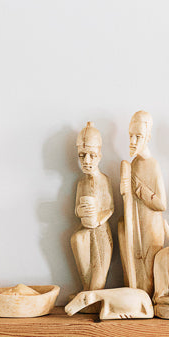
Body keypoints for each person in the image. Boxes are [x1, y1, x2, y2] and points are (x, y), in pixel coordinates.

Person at [119, 110, 166, 296]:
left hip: (151, 229)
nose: (132, 141)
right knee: (135, 273)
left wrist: (139, 189)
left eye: (137, 137)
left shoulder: (152, 164)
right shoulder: (132, 164)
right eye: (130, 136)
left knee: (148, 278)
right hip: (135, 226)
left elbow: (162, 204)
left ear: (147, 137)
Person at [71, 122, 114, 292]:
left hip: (101, 231)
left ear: (99, 156)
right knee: (76, 240)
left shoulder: (104, 180)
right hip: (85, 229)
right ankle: (87, 293)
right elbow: (76, 208)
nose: (87, 161)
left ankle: (92, 297)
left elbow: (110, 207)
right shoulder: (81, 182)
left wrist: (98, 219)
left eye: (91, 155)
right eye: (82, 156)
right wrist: (80, 211)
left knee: (98, 280)